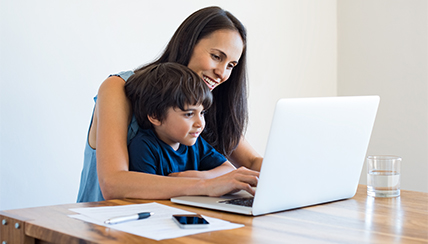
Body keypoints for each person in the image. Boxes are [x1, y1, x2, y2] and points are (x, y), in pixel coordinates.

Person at [77, 6, 262, 202]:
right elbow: (113, 184)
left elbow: (251, 162)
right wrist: (206, 184)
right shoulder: (119, 88)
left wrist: (290, 176)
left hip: (163, 224)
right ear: (186, 44)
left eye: (231, 66)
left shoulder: (205, 102)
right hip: (103, 225)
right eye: (216, 57)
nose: (222, 74)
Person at [126, 62, 236, 179]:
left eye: (202, 113)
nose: (200, 123)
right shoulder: (144, 146)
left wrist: (201, 177)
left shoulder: (195, 142)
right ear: (156, 116)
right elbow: (145, 189)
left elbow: (229, 169)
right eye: (189, 114)